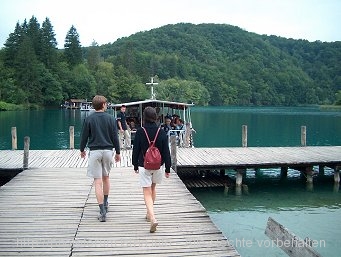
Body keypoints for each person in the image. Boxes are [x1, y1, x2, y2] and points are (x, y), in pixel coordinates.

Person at [80, 95, 121, 222]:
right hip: (108, 151)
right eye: (106, 103)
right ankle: (106, 202)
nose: (107, 105)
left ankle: (102, 210)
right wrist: (118, 152)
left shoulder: (89, 119)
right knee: (106, 177)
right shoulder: (111, 119)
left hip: (95, 152)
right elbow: (115, 137)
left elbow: (84, 137)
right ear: (103, 104)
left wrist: (82, 150)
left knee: (97, 181)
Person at [132, 106, 171, 233]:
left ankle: (152, 217)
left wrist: (135, 165)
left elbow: (136, 149)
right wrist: (168, 168)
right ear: (156, 117)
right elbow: (166, 151)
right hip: (158, 166)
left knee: (146, 191)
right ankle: (149, 214)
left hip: (144, 165)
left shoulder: (140, 131)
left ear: (144, 117)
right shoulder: (162, 132)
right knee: (153, 188)